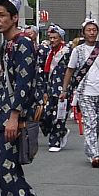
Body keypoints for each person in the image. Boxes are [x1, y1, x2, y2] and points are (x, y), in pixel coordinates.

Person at [0, 0, 46, 196]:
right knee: (5, 165)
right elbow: (6, 84)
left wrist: (14, 117)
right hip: (6, 112)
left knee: (5, 167)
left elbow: (25, 83)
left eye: (2, 15)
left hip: (17, 114)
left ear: (15, 18)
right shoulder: (7, 44)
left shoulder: (23, 44)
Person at [61, 18, 99, 168]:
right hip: (85, 91)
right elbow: (70, 70)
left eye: (94, 30)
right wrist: (64, 89)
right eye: (88, 30)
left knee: (96, 124)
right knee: (90, 122)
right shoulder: (78, 50)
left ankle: (90, 148)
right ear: (83, 33)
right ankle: (94, 155)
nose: (92, 33)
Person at [41, 24, 71, 152]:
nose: (52, 40)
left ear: (61, 38)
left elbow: (72, 70)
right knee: (45, 116)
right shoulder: (49, 52)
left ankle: (55, 141)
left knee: (59, 116)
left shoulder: (67, 52)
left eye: (55, 38)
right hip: (50, 88)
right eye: (50, 38)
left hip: (63, 89)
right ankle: (62, 131)